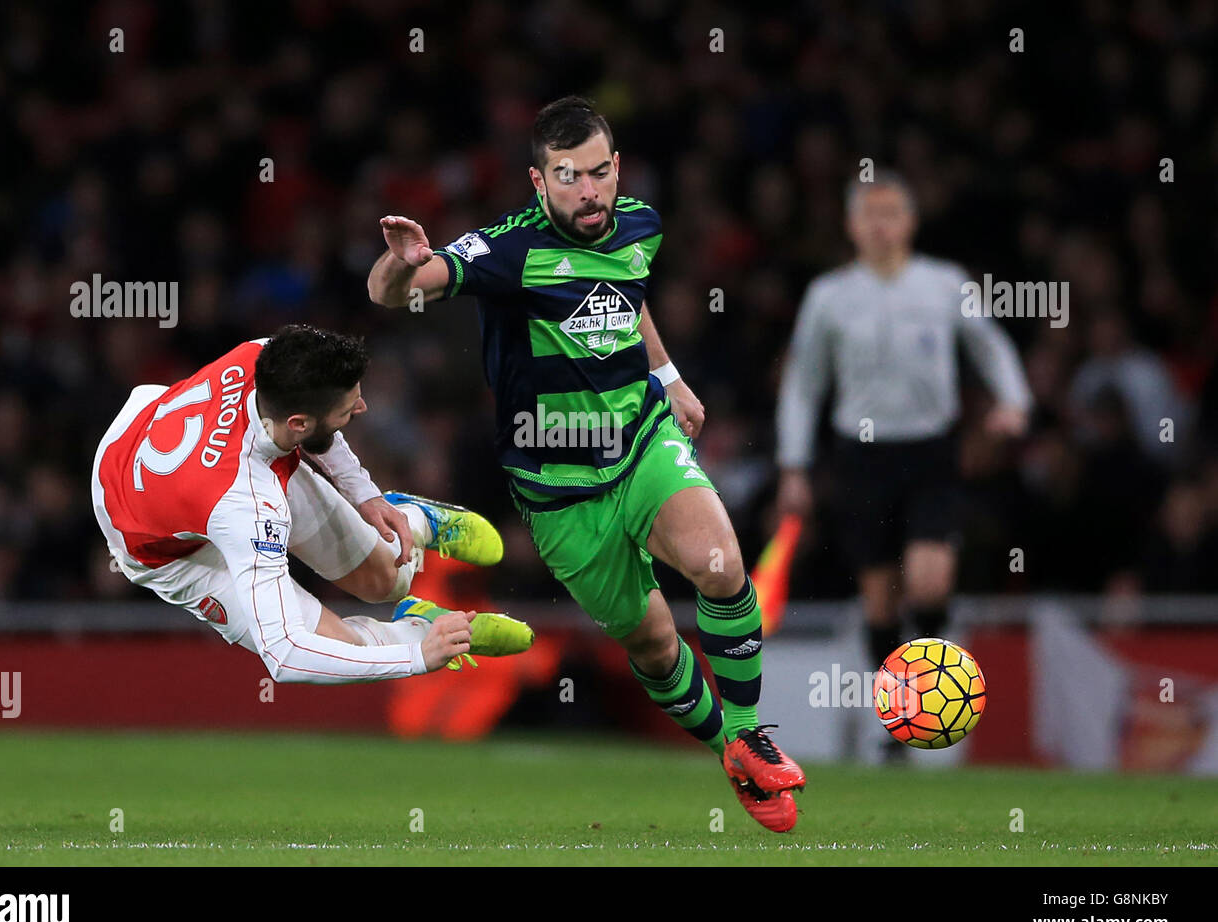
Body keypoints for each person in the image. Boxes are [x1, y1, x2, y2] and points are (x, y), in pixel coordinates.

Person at [367, 96, 805, 832]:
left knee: (722, 564)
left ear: (617, 170)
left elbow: (626, 297)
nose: (589, 191)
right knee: (656, 643)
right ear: (539, 183)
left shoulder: (640, 225)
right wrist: (397, 264)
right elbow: (400, 288)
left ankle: (752, 731)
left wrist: (666, 378)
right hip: (560, 494)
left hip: (640, 444)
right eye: (569, 177)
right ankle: (730, 749)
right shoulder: (507, 251)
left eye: (600, 173)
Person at [92, 323, 532, 682]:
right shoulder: (246, 503)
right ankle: (426, 631)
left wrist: (366, 494)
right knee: (327, 642)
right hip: (164, 549)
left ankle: (415, 520)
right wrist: (417, 657)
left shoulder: (267, 355)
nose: (361, 407)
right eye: (348, 408)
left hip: (169, 456)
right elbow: (285, 655)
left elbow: (316, 421)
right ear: (298, 424)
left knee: (388, 580)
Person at [776, 172, 1032, 757]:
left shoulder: (944, 285)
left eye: (893, 212)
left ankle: (933, 692)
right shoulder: (829, 296)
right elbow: (803, 386)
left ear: (911, 222)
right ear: (851, 225)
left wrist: (1013, 402)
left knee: (929, 578)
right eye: (870, 213)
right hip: (861, 458)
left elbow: (989, 344)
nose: (882, 224)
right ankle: (898, 725)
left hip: (930, 451)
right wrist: (794, 467)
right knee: (880, 600)